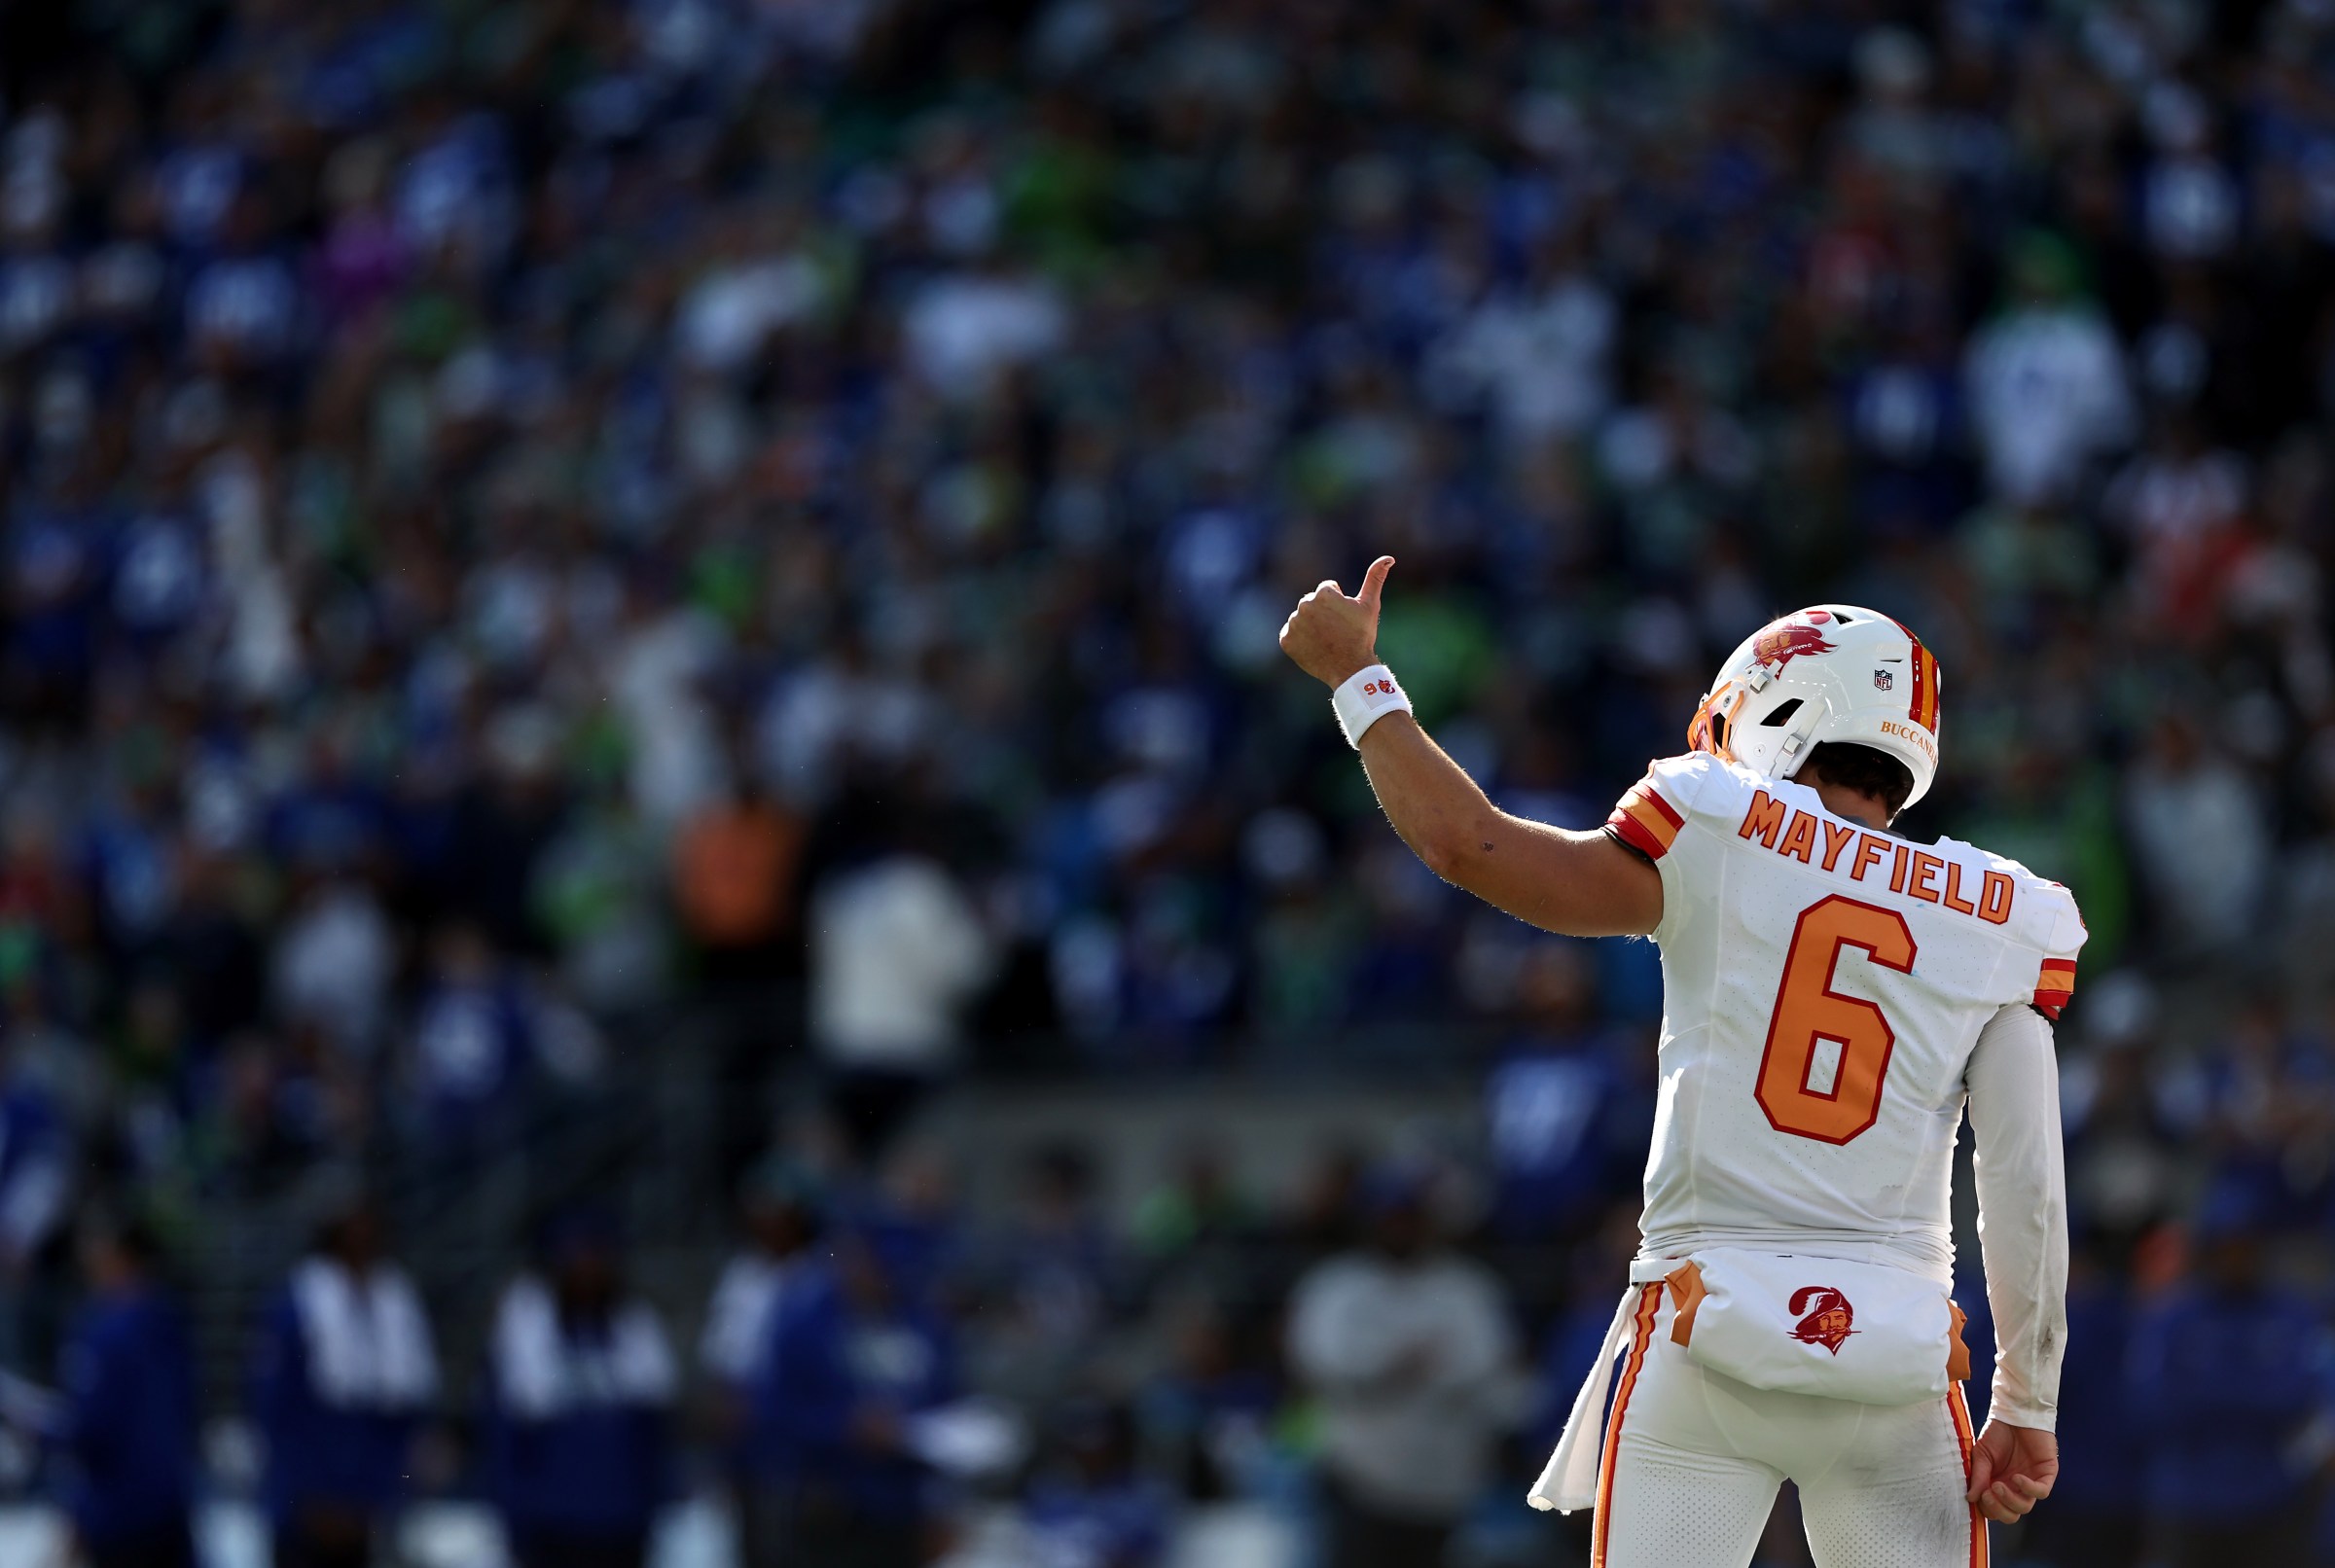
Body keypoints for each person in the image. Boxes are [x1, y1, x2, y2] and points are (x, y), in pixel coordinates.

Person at [1281, 571, 2077, 1567]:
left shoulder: (1719, 821)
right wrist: (2027, 1400)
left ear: (1779, 704)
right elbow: (2026, 1185)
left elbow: (1466, 842)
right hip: (1899, 1354)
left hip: (1707, 1328)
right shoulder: (2003, 911)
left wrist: (1359, 679)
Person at [1286, 1163, 1522, 1568]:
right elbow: (1324, 1362)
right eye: (1390, 1218)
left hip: (1445, 1487)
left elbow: (1486, 1362)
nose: (1400, 1228)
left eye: (1409, 1218)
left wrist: (1419, 1367)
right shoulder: (1338, 1287)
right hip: (1360, 1480)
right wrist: (1396, 1362)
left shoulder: (1465, 1287)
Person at [251, 1197, 439, 1568]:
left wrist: (387, 1495)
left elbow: (407, 1410)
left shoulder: (396, 1303)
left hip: (370, 1506)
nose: (363, 1241)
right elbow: (275, 1411)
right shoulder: (297, 1304)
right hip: (309, 1507)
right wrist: (303, 1499)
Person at [485, 1210, 678, 1568]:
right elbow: (509, 1440)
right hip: (553, 1522)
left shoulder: (636, 1327)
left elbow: (654, 1435)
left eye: (597, 1258)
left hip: (622, 1521)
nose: (588, 1270)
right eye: (576, 1259)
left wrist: (654, 1510)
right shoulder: (527, 1327)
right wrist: (515, 1522)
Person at [51, 1211, 198, 1568]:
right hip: (169, 1506)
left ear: (119, 1256)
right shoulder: (169, 1320)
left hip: (118, 1515)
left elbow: (92, 1429)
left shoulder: (102, 1332)